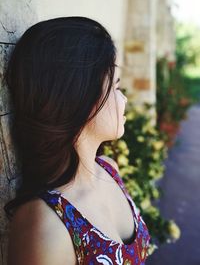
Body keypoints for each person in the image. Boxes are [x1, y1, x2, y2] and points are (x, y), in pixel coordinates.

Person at [4, 16, 151, 264]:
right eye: (115, 88)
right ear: (78, 98)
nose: (124, 100)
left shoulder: (109, 169)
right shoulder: (45, 227)